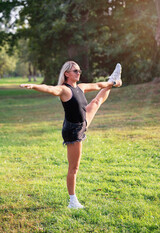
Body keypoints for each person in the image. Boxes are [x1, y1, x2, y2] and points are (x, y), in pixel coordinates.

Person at [20, 61, 122, 209]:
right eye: (75, 71)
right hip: (73, 130)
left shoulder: (80, 87)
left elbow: (99, 85)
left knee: (97, 100)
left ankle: (112, 78)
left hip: (83, 121)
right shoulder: (64, 90)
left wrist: (113, 82)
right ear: (67, 73)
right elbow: (49, 89)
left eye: (79, 70)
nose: (78, 73)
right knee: (74, 168)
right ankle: (72, 201)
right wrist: (34, 86)